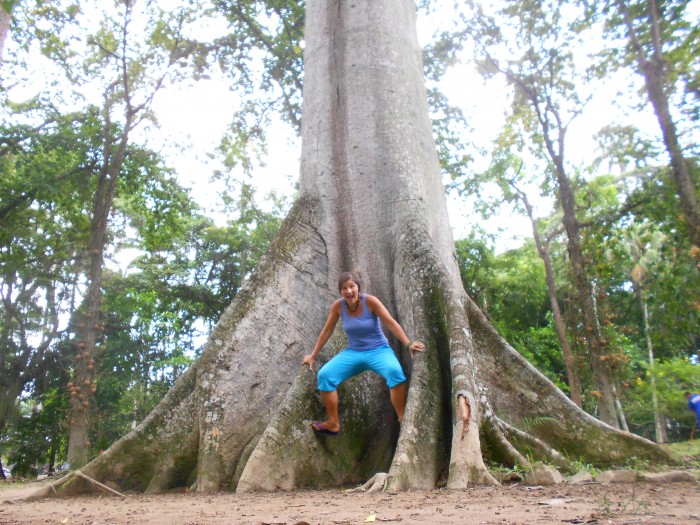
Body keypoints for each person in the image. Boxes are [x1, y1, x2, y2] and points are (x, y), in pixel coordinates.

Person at [302, 271, 425, 436]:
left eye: (352, 286)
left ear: (358, 287)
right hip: (354, 352)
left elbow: (390, 322)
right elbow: (327, 331)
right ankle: (333, 422)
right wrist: (313, 355)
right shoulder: (338, 306)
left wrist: (408, 344)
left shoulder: (370, 301)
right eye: (344, 288)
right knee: (325, 375)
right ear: (341, 291)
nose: (349, 291)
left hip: (379, 350)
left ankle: (402, 419)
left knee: (395, 373)